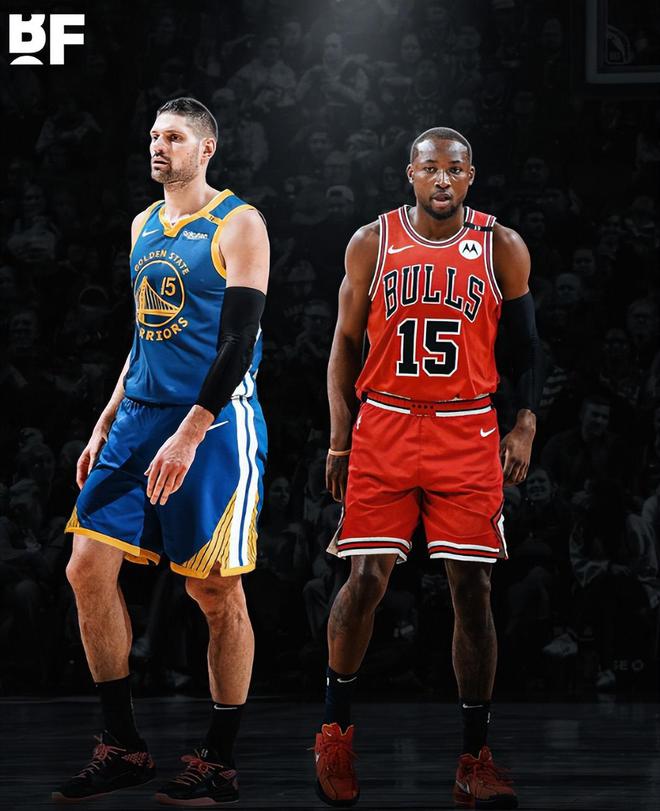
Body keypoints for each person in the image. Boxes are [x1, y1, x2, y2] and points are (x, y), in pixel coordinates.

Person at [313, 127, 543, 808]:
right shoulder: (371, 241)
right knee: (365, 578)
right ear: (409, 174)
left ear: (471, 175)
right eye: (430, 168)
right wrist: (339, 437)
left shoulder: (501, 245)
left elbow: (528, 347)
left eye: (454, 169)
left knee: (473, 588)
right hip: (385, 421)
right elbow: (343, 343)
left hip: (467, 426)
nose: (442, 179)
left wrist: (525, 422)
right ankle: (334, 732)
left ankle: (475, 757)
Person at [53, 97, 269, 806]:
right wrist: (106, 418)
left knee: (214, 591)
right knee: (86, 567)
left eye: (173, 137)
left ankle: (219, 758)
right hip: (139, 417)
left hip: (212, 423)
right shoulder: (143, 223)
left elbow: (238, 340)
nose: (158, 145)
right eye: (153, 135)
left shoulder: (239, 223)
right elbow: (145, 334)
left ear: (206, 148)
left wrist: (192, 429)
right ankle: (123, 745)